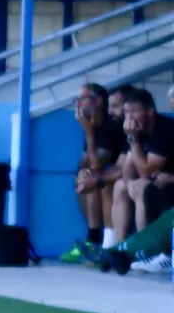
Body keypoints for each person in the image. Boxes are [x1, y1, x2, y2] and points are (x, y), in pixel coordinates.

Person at [106, 86, 173, 253]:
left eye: (134, 112)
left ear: (150, 111)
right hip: (155, 179)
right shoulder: (136, 130)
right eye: (126, 112)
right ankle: (118, 248)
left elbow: (145, 171)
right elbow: (128, 168)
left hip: (166, 181)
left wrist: (133, 139)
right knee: (121, 186)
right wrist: (129, 182)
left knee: (143, 188)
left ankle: (145, 250)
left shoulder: (163, 129)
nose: (129, 117)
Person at [64, 82, 125, 264]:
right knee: (83, 176)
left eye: (82, 99)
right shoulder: (92, 124)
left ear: (98, 101)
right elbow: (86, 159)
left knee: (93, 178)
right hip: (104, 177)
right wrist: (83, 169)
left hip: (117, 177)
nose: (78, 104)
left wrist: (89, 133)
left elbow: (97, 164)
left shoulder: (109, 126)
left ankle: (97, 241)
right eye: (77, 99)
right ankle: (93, 238)